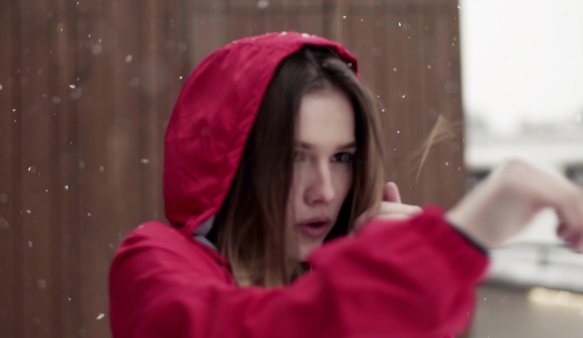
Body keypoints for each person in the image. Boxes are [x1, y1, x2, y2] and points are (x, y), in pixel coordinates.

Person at [109, 32, 583, 338]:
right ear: (234, 163)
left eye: (341, 158)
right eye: (295, 157)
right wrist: (440, 248)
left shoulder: (339, 280)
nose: (326, 191)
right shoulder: (152, 261)